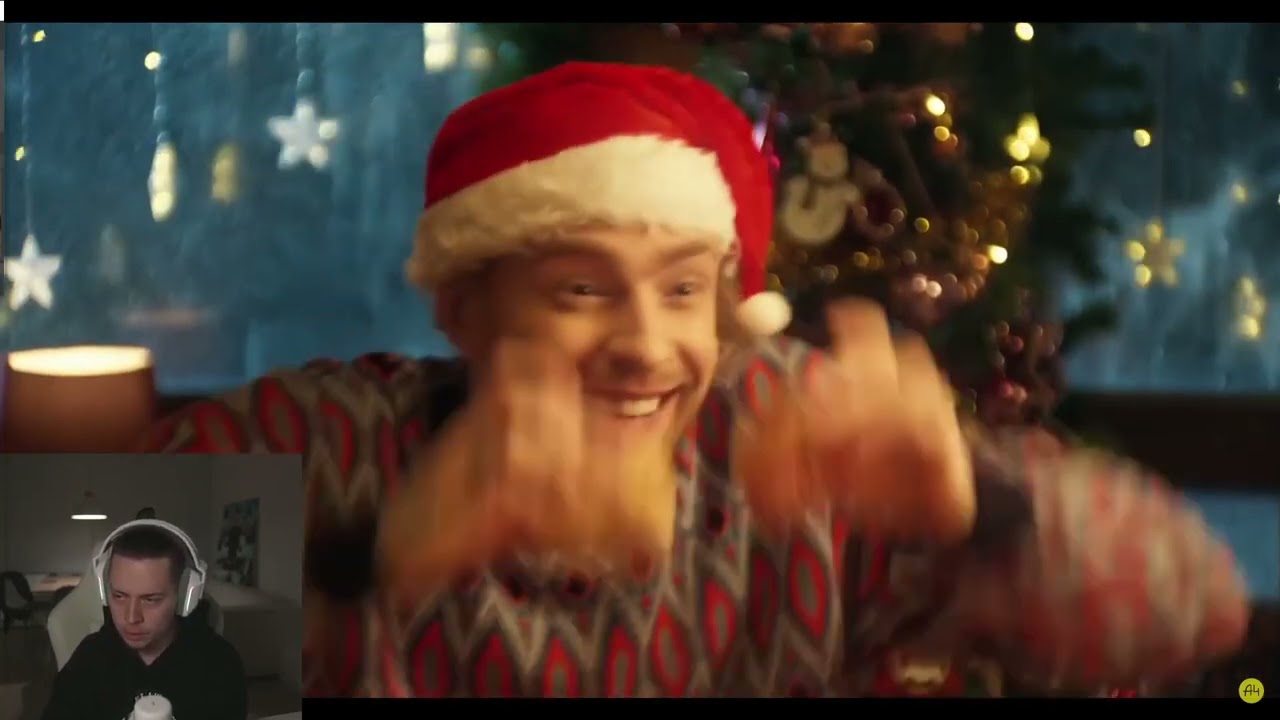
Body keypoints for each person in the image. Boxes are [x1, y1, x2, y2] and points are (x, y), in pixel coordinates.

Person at [141, 62, 1249, 697]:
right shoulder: (318, 436)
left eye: (681, 291)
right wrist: (376, 562)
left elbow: (1188, 609)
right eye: (580, 289)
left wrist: (986, 509)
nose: (645, 346)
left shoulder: (788, 448)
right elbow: (70, 662)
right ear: (462, 309)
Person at [42, 521, 246, 719]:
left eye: (150, 600)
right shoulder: (89, 659)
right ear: (105, 592)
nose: (131, 617)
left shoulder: (220, 665)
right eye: (119, 596)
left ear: (184, 596)